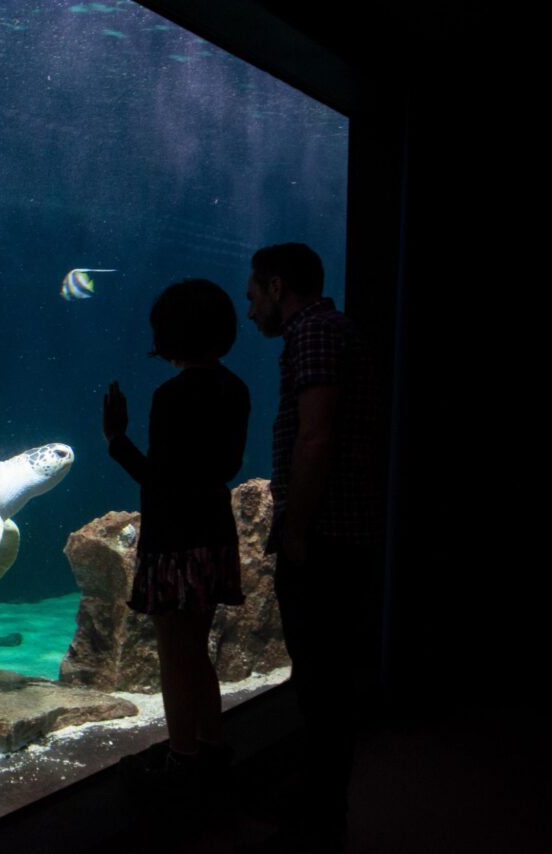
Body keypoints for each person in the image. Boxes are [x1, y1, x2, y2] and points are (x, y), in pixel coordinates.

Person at [245, 242, 382, 850]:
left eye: (253, 296)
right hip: (340, 533)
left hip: (326, 537)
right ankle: (320, 802)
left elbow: (317, 436)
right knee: (323, 681)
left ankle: (322, 821)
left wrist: (296, 530)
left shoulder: (314, 334)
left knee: (323, 684)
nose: (250, 312)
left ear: (278, 287)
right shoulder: (332, 330)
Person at [102, 278, 250, 789]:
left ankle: (181, 758)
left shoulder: (170, 396)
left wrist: (117, 440)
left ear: (168, 336)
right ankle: (214, 745)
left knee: (174, 654)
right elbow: (225, 465)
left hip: (174, 544)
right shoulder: (237, 388)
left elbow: (158, 480)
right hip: (215, 534)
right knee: (198, 649)